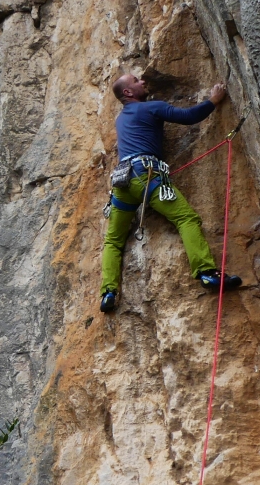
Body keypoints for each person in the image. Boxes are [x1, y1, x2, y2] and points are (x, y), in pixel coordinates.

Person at [99, 73, 242, 313]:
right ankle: (207, 273)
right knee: (186, 218)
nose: (142, 81)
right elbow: (188, 117)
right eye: (136, 81)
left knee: (113, 240)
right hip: (146, 176)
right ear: (128, 92)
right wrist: (213, 100)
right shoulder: (150, 108)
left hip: (122, 182)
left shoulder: (121, 119)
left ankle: (108, 292)